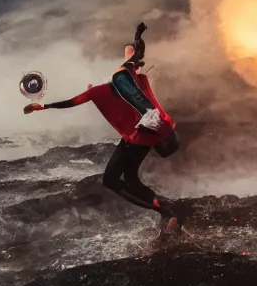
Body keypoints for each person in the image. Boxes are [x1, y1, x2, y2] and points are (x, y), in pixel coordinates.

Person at [24, 23, 181, 235]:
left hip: (137, 136)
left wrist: (42, 106)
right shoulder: (130, 74)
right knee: (131, 177)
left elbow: (71, 102)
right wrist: (138, 34)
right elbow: (138, 51)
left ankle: (165, 211)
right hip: (149, 134)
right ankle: (165, 213)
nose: (128, 53)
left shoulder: (100, 89)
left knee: (111, 180)